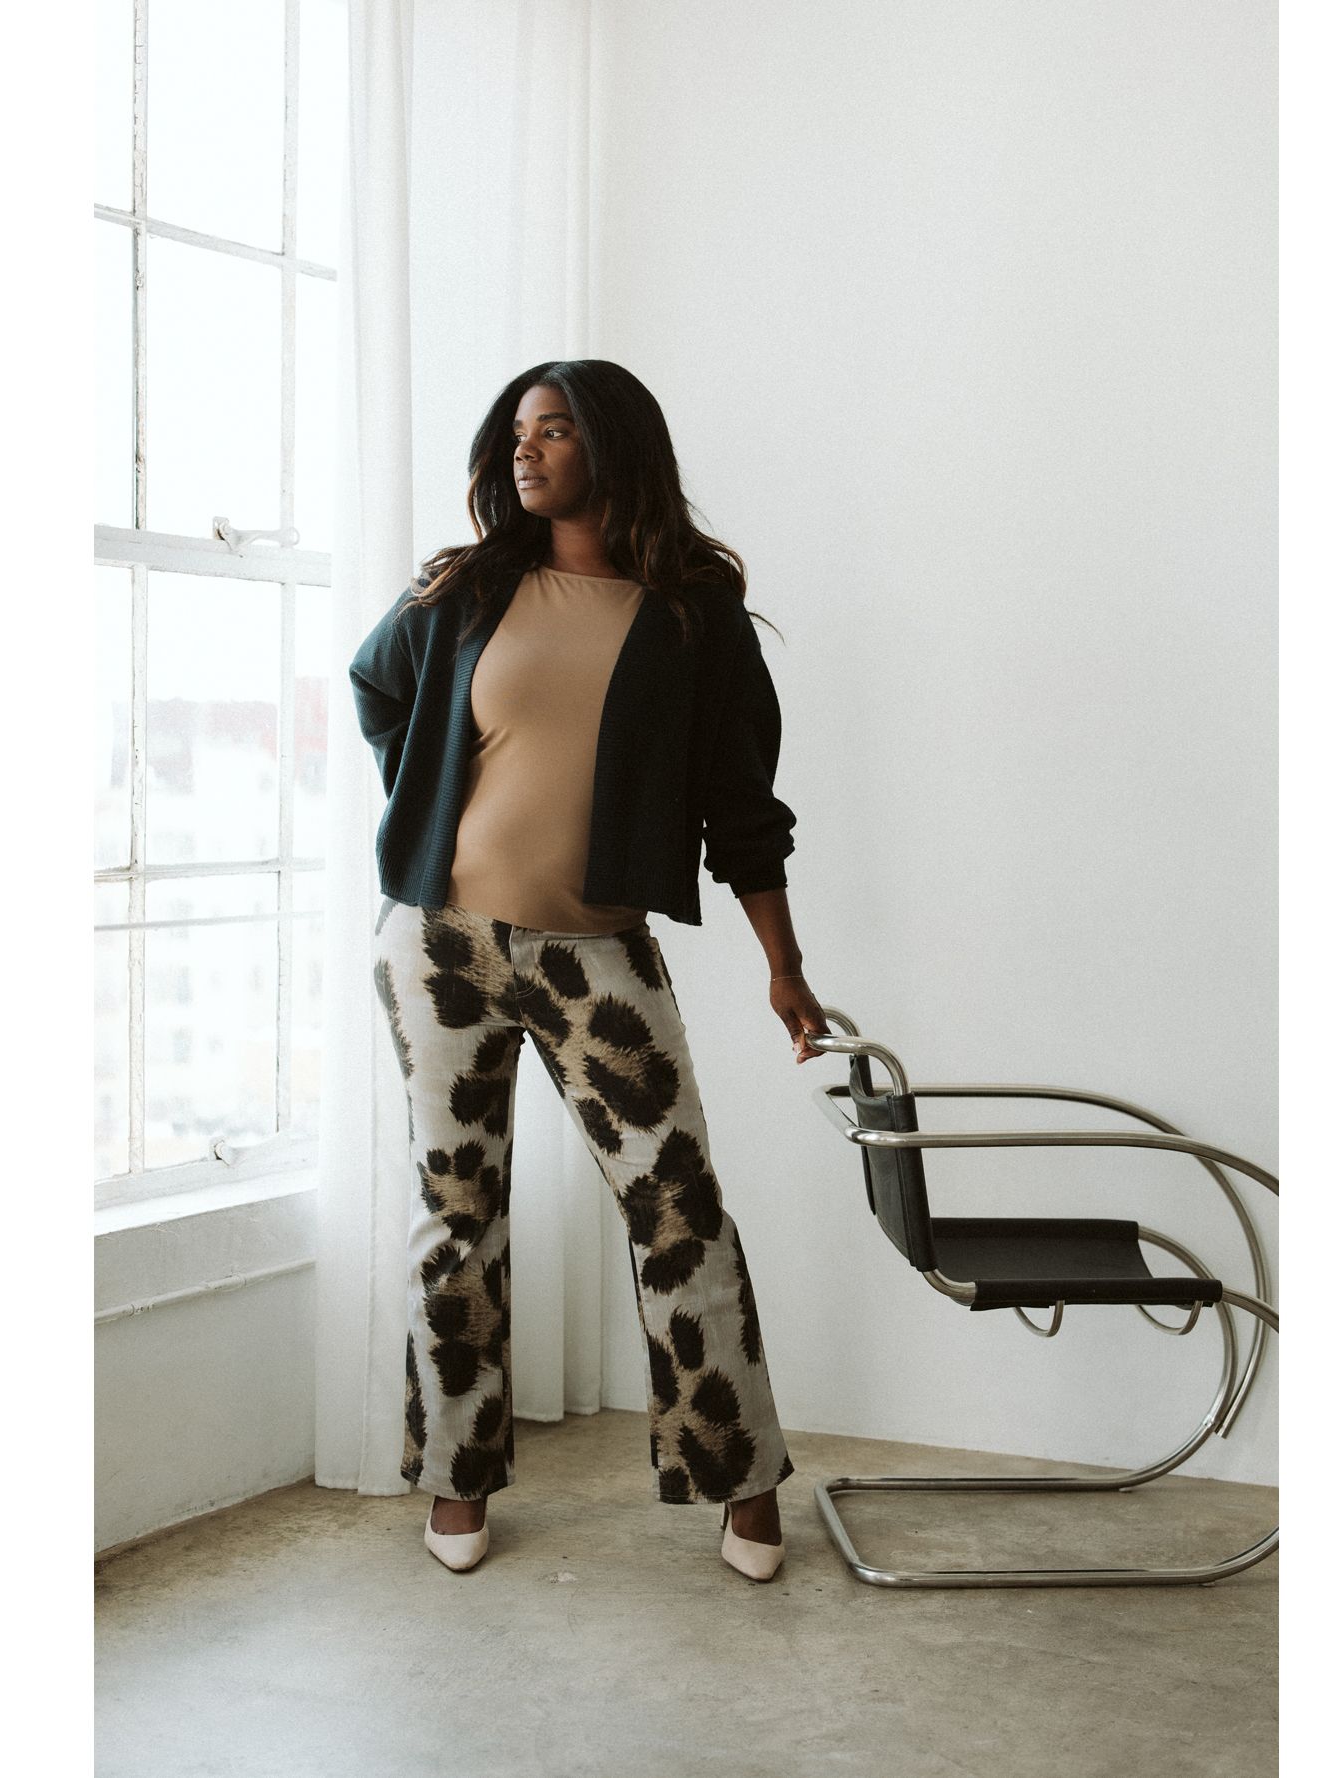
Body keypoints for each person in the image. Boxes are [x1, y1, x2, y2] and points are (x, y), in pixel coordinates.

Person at [348, 359, 829, 1582]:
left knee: (678, 1207)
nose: (526, 449)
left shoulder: (692, 612)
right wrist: (430, 807)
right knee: (455, 1213)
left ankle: (740, 1474)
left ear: (613, 446)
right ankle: (456, 1474)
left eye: (554, 429)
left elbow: (741, 805)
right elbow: (377, 686)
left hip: (593, 950)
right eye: (517, 431)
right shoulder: (467, 586)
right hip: (439, 945)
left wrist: (783, 965)